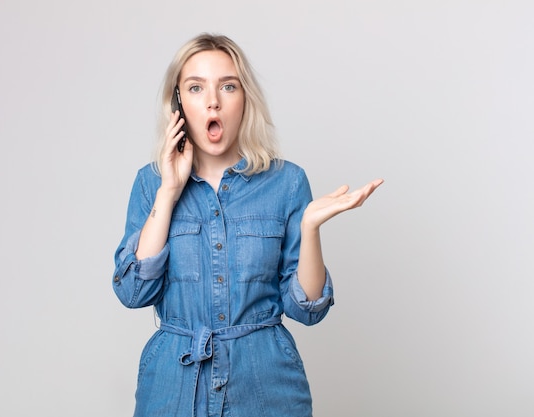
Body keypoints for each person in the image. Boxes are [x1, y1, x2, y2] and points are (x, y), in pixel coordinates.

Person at [112, 33, 383, 417]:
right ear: (178, 103)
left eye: (228, 86)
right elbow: (134, 292)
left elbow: (308, 311)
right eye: (195, 87)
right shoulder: (150, 182)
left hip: (266, 386)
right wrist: (169, 191)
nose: (213, 101)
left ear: (244, 99)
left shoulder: (286, 182)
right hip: (172, 389)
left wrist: (310, 229)